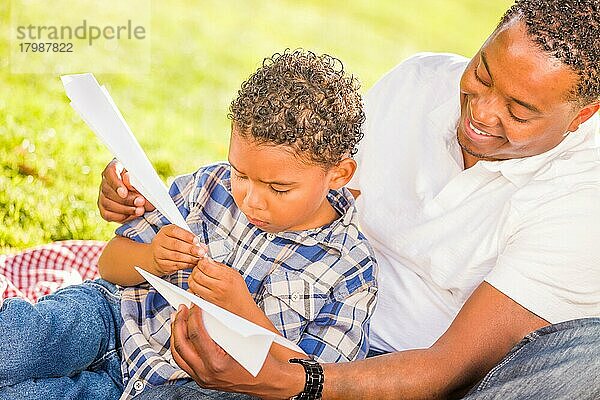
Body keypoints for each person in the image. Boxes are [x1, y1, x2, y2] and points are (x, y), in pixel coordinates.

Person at [100, 0, 600, 399]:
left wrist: (299, 381)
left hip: (390, 372)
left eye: (518, 110)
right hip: (285, 309)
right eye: (483, 76)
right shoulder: (418, 83)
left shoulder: (583, 203)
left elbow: (447, 371)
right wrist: (150, 201)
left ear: (582, 115)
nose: (482, 113)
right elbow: (301, 180)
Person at [0, 50, 378, 400]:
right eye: (240, 173)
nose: (250, 199)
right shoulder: (208, 188)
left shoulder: (349, 268)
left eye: (279, 188)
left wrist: (243, 309)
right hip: (115, 318)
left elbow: (312, 380)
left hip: (190, 383)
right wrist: (152, 257)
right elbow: (109, 263)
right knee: (18, 342)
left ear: (339, 174)